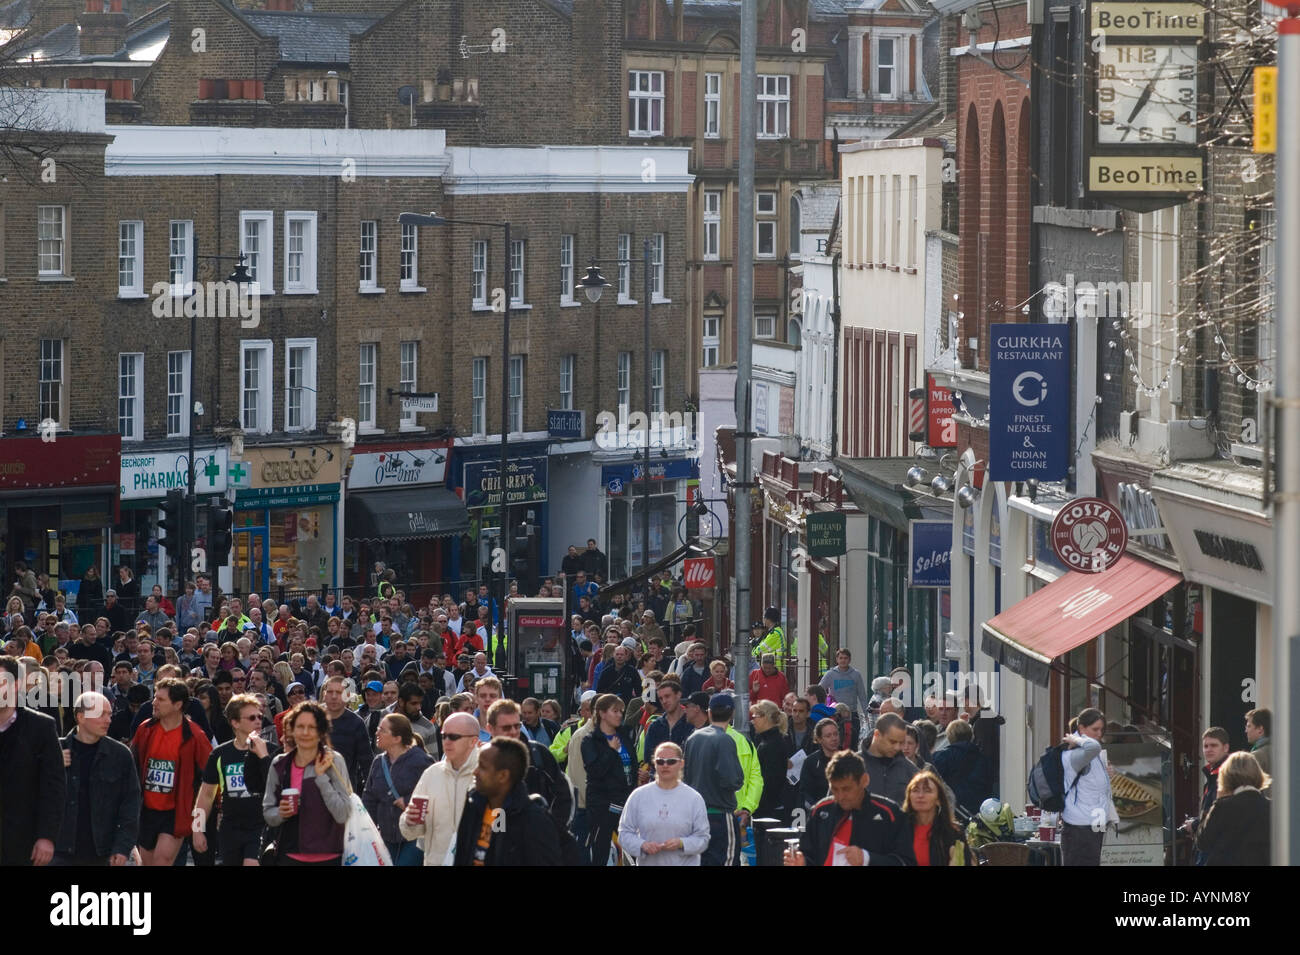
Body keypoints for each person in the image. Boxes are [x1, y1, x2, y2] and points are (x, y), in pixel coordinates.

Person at [130, 677, 213, 866]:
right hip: (147, 810)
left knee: (163, 861)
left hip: (176, 812)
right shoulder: (145, 729)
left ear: (177, 704)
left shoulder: (195, 736)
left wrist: (199, 824)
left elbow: (210, 781)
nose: (154, 703)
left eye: (160, 700)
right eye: (155, 698)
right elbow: (132, 766)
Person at [784, 749, 914, 866]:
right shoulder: (820, 811)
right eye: (834, 789)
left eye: (846, 789)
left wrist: (867, 859)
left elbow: (905, 861)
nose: (840, 796)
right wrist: (801, 863)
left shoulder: (889, 814)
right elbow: (808, 855)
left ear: (864, 780)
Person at [54, 690, 139, 866]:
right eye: (101, 714)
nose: (108, 720)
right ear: (81, 717)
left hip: (102, 851)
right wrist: (52, 765)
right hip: (57, 849)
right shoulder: (54, 750)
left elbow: (131, 804)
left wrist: (123, 846)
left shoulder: (120, 755)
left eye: (109, 714)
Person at [193, 693, 279, 866]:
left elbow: (279, 788)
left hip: (261, 826)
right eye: (252, 717)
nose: (258, 721)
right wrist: (197, 830)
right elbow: (206, 796)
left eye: (260, 717)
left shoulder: (272, 751)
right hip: (230, 828)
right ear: (235, 722)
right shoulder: (220, 754)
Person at [263, 700, 352, 865]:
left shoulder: (333, 761)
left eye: (311, 727)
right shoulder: (279, 764)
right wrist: (281, 813)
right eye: (300, 726)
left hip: (330, 857)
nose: (305, 732)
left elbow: (343, 814)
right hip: (288, 856)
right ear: (292, 730)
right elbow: (268, 814)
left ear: (321, 731)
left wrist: (321, 778)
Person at [451, 736, 561, 866]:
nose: (475, 772)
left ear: (503, 776)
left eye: (482, 767)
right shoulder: (473, 806)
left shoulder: (534, 822)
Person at [0, 655, 65, 865]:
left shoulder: (41, 727)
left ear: (16, 684)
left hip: (22, 840)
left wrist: (46, 836)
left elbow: (53, 787)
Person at [400, 711, 482, 866]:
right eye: (444, 736)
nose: (447, 741)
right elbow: (410, 831)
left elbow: (502, 828)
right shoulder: (432, 774)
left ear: (473, 741)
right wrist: (410, 821)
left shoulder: (489, 774)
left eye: (454, 737)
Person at [618, 741, 711, 866]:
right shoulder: (638, 796)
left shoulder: (694, 798)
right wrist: (642, 845)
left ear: (681, 763)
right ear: (654, 764)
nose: (665, 765)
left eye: (671, 761)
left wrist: (681, 843)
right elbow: (624, 833)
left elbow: (703, 838)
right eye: (660, 761)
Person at [486, 698, 573, 828]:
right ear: (490, 729)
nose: (513, 732)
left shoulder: (539, 753)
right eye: (506, 727)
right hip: (498, 837)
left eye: (516, 726)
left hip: (535, 836)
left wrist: (551, 827)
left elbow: (563, 794)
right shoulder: (483, 759)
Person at [683, 693, 746, 867]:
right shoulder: (725, 740)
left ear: (709, 712)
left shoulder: (693, 738)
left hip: (696, 815)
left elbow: (686, 775)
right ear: (732, 713)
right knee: (727, 861)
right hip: (720, 814)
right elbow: (732, 780)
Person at [363, 713, 434, 865]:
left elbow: (434, 794)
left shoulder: (421, 761)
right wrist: (366, 829)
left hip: (414, 837)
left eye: (382, 730)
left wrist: (408, 801)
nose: (377, 733)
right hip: (386, 836)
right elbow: (369, 797)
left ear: (397, 738)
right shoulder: (378, 762)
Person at [581, 693, 638, 865]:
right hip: (602, 805)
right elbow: (595, 771)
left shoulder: (624, 736)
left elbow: (630, 765)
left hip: (625, 802)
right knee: (601, 851)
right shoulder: (590, 740)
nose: (620, 715)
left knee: (634, 850)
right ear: (602, 713)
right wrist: (611, 751)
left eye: (621, 711)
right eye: (615, 711)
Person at [1059, 708, 1119, 866]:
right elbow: (1093, 747)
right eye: (1095, 729)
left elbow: (1094, 784)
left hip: (1094, 824)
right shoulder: (1077, 751)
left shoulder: (1090, 751)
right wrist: (1076, 739)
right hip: (1080, 827)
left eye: (1102, 730)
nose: (1099, 734)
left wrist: (1106, 773)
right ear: (1081, 729)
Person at [1194, 751, 1270, 866]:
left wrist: (1214, 804)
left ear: (1227, 776)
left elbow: (1203, 842)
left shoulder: (1223, 806)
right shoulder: (1271, 807)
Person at [1182, 726, 1232, 864]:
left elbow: (1219, 813)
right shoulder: (1213, 775)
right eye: (1205, 746)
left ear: (1225, 748)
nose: (1208, 749)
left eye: (1214, 745)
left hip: (1217, 850)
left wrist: (1195, 825)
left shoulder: (1226, 776)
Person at [902, 769, 968, 866]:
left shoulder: (953, 833)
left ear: (938, 799)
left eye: (927, 791)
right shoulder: (899, 830)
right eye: (915, 790)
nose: (920, 795)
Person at [930, 717, 993, 817]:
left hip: (954, 809)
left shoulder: (941, 757)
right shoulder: (982, 758)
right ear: (970, 735)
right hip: (979, 810)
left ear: (950, 736)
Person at [320, 675, 372, 794]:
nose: (334, 696)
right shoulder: (311, 718)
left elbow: (367, 762)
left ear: (347, 696)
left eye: (339, 692)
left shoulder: (356, 723)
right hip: (313, 792)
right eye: (330, 692)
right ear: (324, 694)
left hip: (344, 792)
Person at [859, 711, 920, 806]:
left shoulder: (910, 770)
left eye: (900, 743)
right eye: (892, 742)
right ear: (877, 735)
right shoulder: (852, 765)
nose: (897, 747)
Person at [750, 698, 789, 823]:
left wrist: (757, 805)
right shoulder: (765, 741)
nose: (753, 720)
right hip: (766, 807)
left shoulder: (772, 744)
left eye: (755, 716)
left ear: (765, 717)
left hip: (768, 810)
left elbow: (771, 781)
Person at [819, 649, 868, 728]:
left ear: (849, 660)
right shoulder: (830, 674)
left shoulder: (856, 674)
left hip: (852, 714)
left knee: (853, 739)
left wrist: (866, 714)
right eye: (841, 658)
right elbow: (819, 691)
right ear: (837, 659)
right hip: (835, 714)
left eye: (845, 658)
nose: (843, 660)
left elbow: (862, 696)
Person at [799, 718, 841, 810]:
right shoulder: (811, 762)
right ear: (819, 739)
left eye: (835, 734)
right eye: (828, 736)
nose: (834, 738)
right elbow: (805, 793)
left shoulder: (849, 759)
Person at [1245, 708, 1271, 775]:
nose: (1246, 731)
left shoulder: (1256, 756)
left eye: (1249, 726)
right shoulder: (1281, 752)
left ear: (1260, 729)